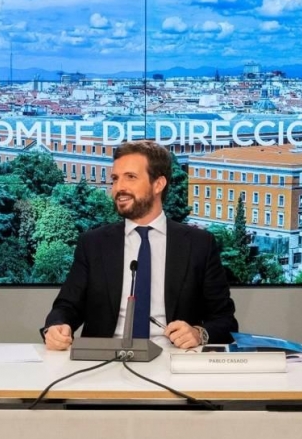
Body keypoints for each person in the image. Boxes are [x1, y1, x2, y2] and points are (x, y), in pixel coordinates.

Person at [42, 140, 237, 350]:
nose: (119, 188)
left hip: (173, 361)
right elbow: (66, 307)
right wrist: (56, 327)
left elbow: (225, 320)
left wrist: (199, 334)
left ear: (158, 184)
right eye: (115, 179)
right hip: (104, 363)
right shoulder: (93, 244)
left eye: (131, 177)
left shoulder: (199, 244)